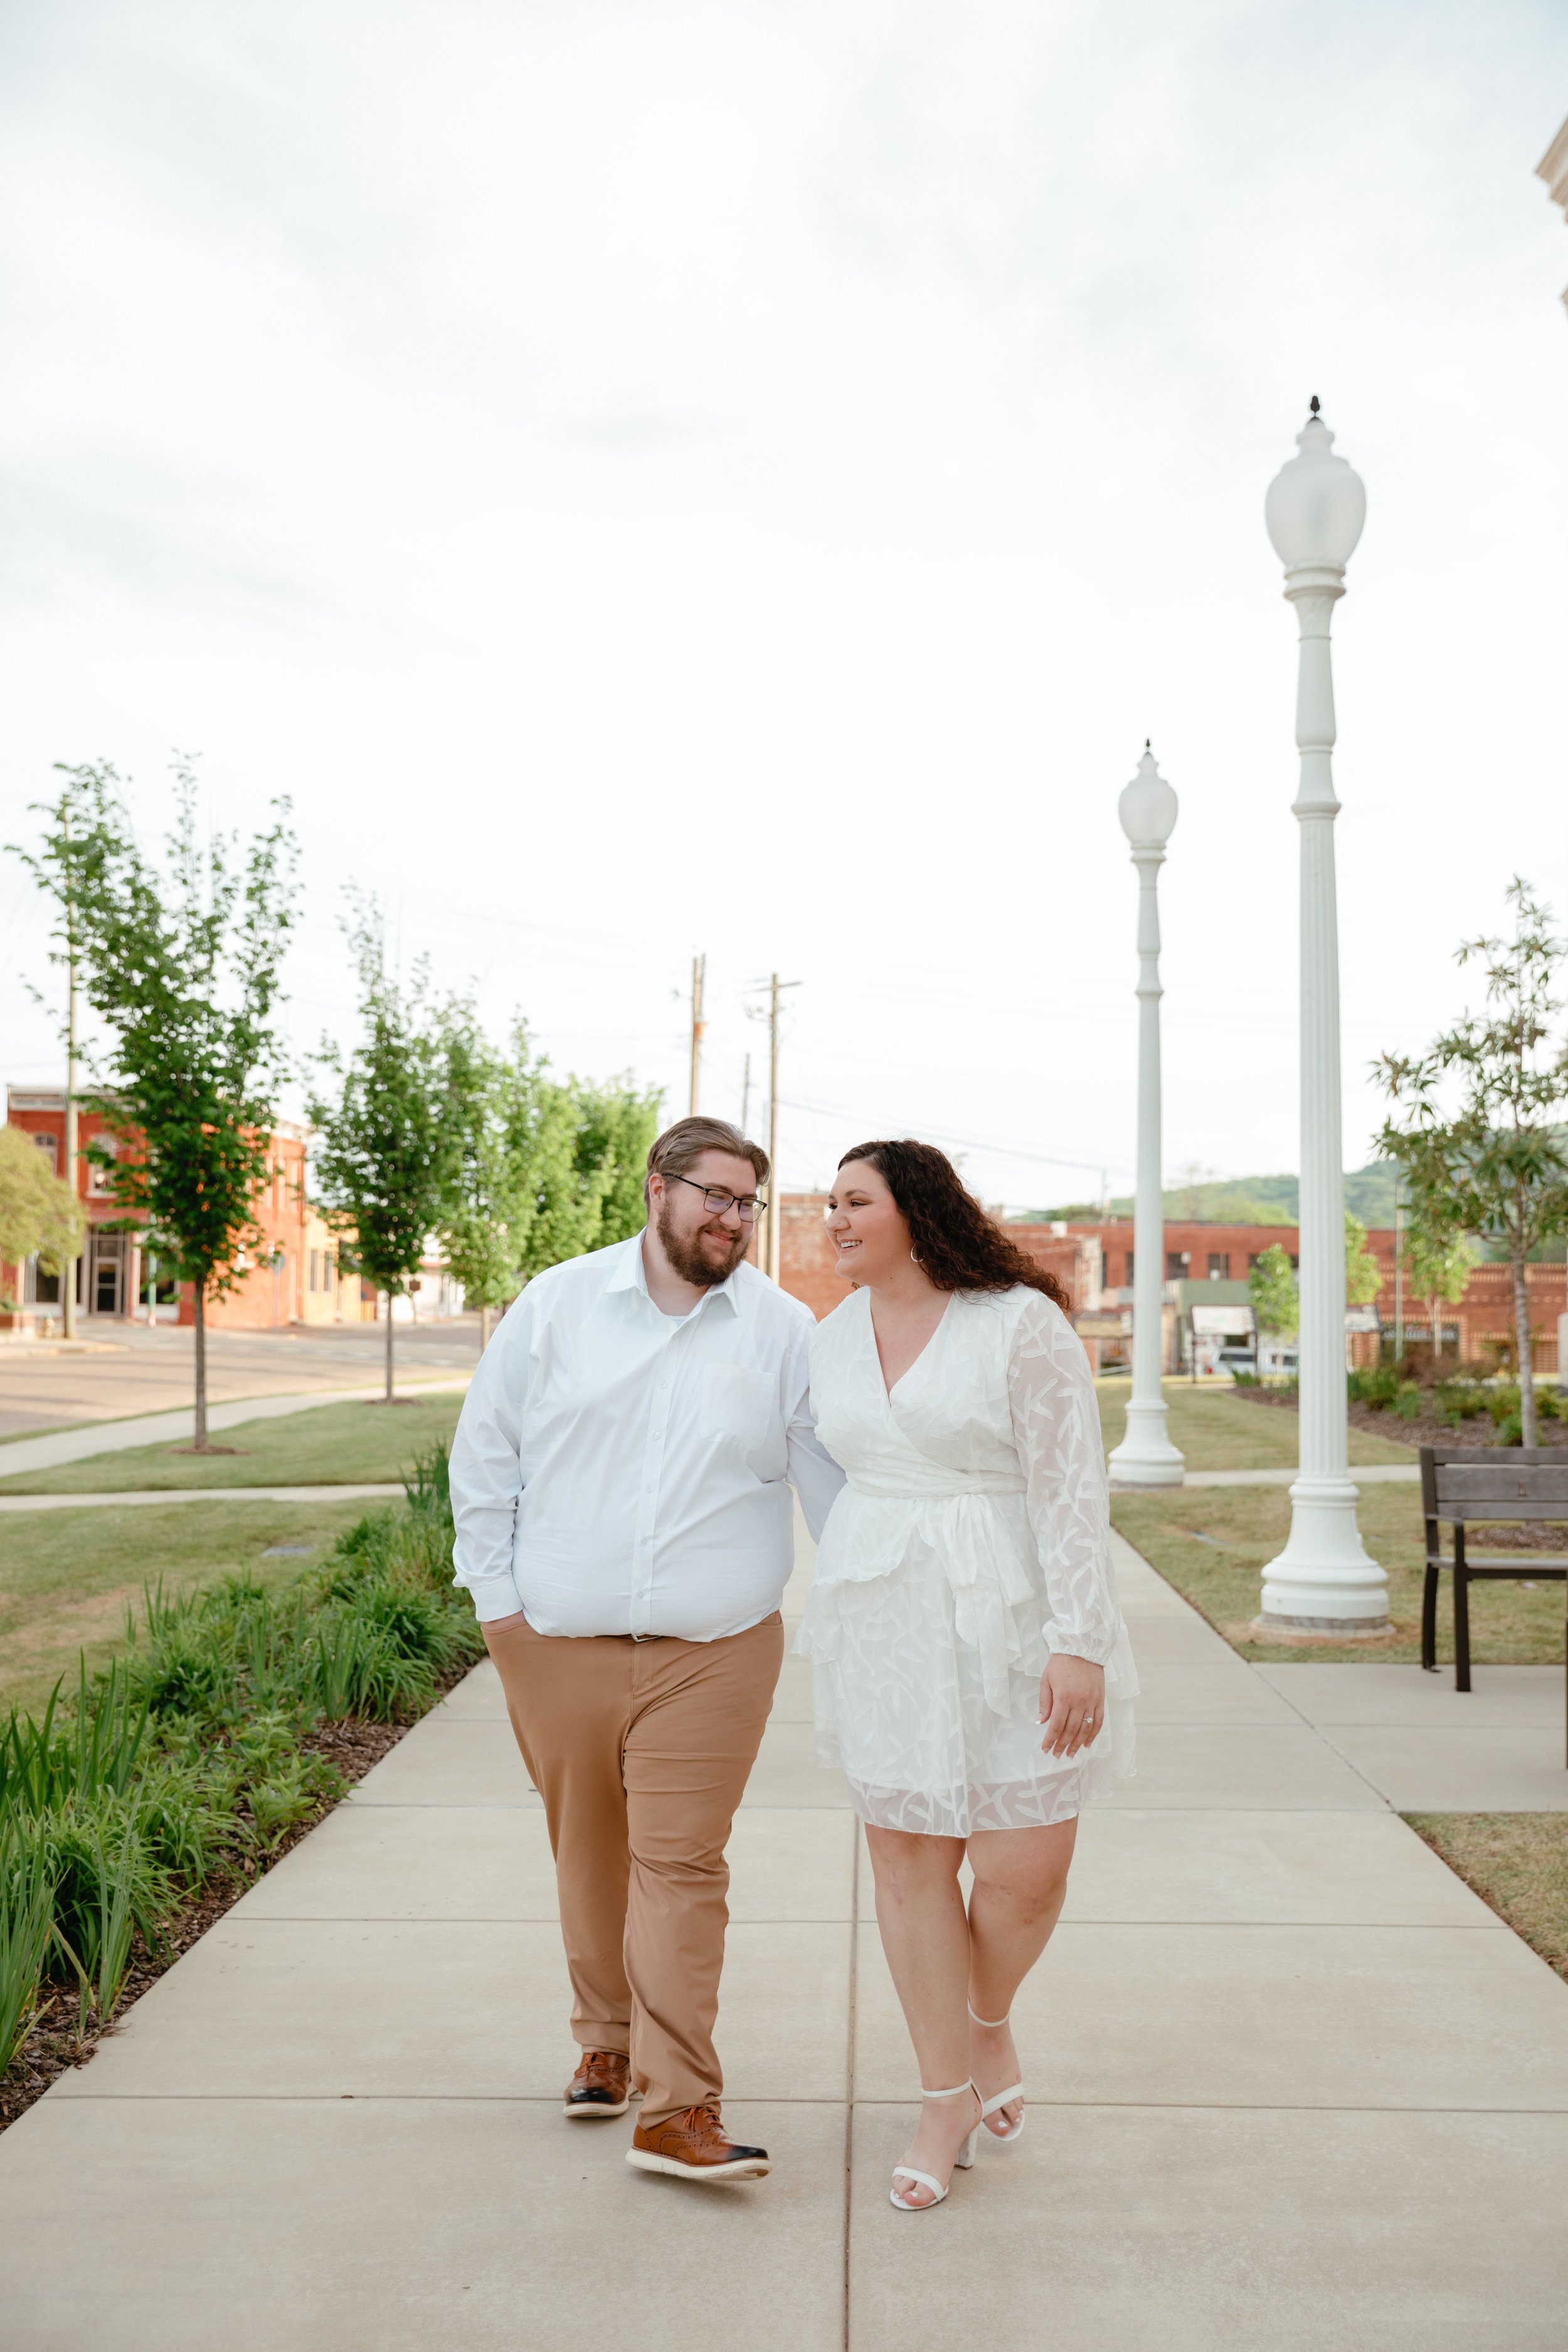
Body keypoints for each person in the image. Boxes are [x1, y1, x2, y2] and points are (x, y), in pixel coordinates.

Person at [449, 1116, 843, 2187]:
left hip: (715, 1651)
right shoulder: (559, 1304)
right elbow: (485, 1450)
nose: (732, 1217)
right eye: (713, 1194)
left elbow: (826, 1483)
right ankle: (605, 2041)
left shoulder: (780, 1329)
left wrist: (880, 1587)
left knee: (681, 1866)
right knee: (587, 1849)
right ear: (656, 1190)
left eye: (748, 1201)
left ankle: (680, 2107)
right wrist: (500, 1610)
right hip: (556, 1642)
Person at [795, 1139, 1136, 2213]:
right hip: (885, 1622)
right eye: (828, 1203)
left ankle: (984, 2017)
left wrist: (1077, 1639)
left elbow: (1071, 1488)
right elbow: (830, 1475)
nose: (833, 1220)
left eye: (854, 1201)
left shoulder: (1017, 1323)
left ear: (917, 1209)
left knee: (1025, 1868)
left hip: (1016, 1617)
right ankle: (942, 2094)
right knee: (906, 1861)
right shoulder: (831, 1337)